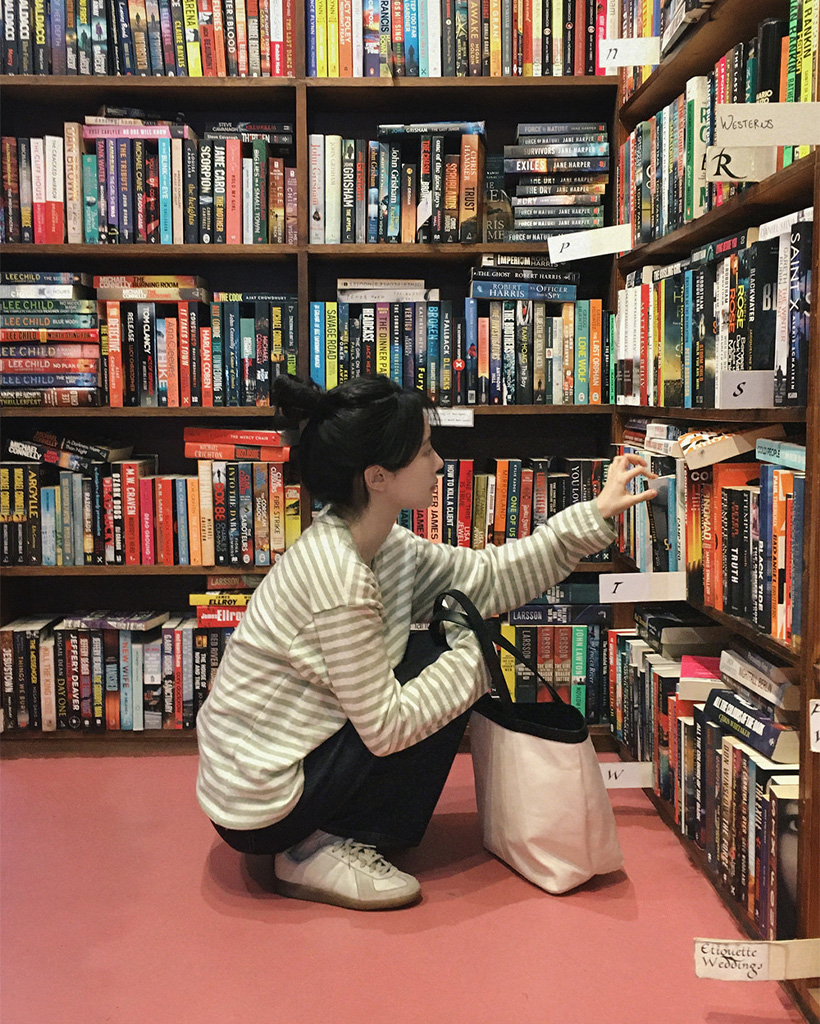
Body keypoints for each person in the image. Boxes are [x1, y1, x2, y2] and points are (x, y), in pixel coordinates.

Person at [196, 373, 657, 911]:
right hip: (259, 804)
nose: (439, 463)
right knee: (445, 667)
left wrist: (593, 514)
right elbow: (387, 728)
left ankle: (337, 831)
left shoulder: (382, 544)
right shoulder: (339, 577)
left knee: (433, 658)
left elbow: (486, 576)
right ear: (377, 477)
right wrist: (476, 662)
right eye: (423, 451)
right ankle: (311, 848)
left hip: (277, 763)